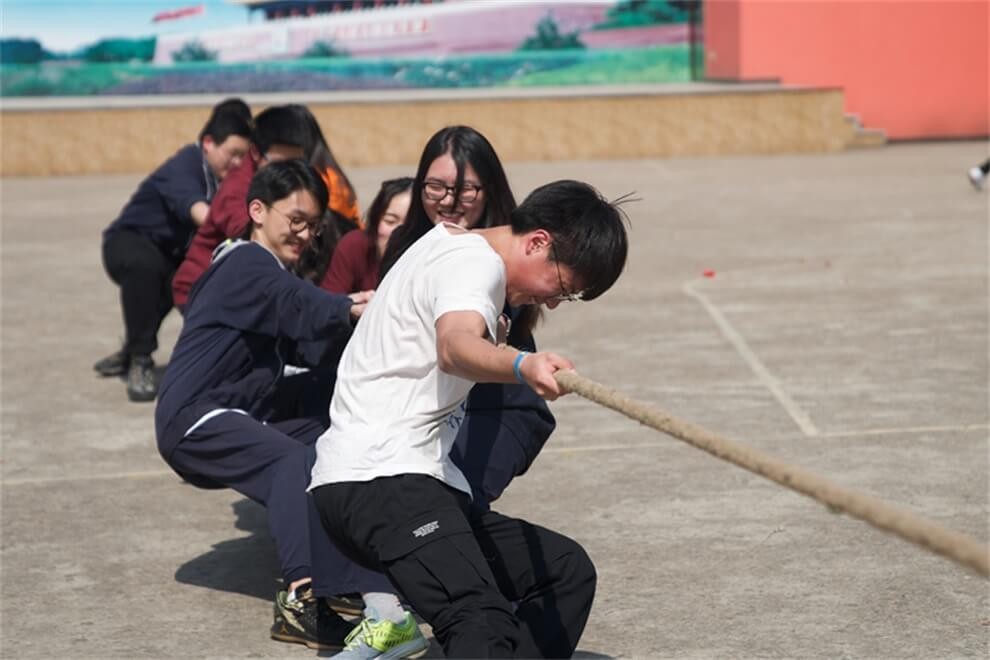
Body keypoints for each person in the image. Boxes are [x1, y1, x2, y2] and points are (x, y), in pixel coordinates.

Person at [310, 179, 629, 657]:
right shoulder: (473, 263)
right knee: (481, 621)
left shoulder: (452, 247)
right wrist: (522, 364)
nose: (553, 303)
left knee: (563, 569)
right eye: (563, 287)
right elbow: (454, 347)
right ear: (538, 241)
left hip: (413, 482)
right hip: (381, 480)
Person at [154, 161, 417, 652]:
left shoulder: (263, 271)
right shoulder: (246, 262)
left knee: (332, 439)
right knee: (291, 461)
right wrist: (357, 305)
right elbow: (304, 304)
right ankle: (302, 596)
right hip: (195, 416)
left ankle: (357, 575)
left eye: (314, 225)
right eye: (295, 219)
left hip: (241, 407)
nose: (305, 234)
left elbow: (305, 344)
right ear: (257, 211)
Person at [96, 98, 253, 402]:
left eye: (242, 157)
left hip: (169, 254)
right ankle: (141, 360)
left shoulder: (229, 179)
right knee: (148, 268)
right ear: (208, 143)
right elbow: (197, 210)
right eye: (232, 154)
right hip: (129, 242)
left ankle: (131, 349)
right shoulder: (186, 163)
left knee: (188, 279)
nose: (236, 163)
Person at [171, 104, 314, 310]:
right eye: (281, 164)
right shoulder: (237, 189)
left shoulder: (282, 181)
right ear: (256, 153)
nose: (292, 173)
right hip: (200, 285)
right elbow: (247, 230)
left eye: (298, 163)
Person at [322, 177, 414, 294]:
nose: (398, 232)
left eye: (409, 225)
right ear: (376, 221)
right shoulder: (355, 246)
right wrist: (348, 304)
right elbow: (325, 304)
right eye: (390, 221)